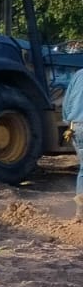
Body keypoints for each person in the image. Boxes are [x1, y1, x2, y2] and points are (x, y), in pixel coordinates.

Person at [62, 67, 83, 222]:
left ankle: (80, 213)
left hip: (76, 126)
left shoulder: (78, 74)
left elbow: (67, 101)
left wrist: (69, 123)